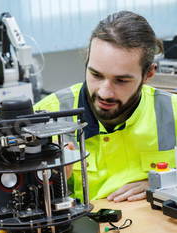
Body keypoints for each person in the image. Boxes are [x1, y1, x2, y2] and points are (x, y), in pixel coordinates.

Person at [34, 11, 177, 203]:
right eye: (96, 75)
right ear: (87, 58)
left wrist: (166, 183)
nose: (104, 93)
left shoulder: (171, 111)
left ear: (148, 75)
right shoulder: (45, 116)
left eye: (121, 80)